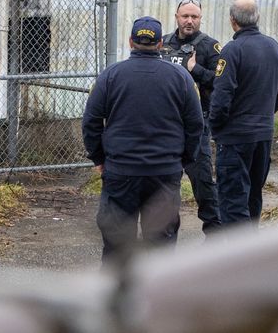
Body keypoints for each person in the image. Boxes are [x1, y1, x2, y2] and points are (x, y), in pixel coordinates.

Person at [82, 16, 203, 261]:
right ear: (160, 44)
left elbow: (91, 121)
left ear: (130, 42)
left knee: (118, 246)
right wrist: (184, 159)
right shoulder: (180, 77)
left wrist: (99, 158)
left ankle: (117, 297)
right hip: (163, 172)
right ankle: (160, 296)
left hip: (121, 172)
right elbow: (195, 124)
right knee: (160, 246)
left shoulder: (110, 75)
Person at [209, 0, 278, 226]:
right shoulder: (274, 47)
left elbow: (221, 97)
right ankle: (253, 252)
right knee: (253, 197)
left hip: (235, 139)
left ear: (232, 21)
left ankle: (239, 257)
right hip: (263, 136)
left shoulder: (232, 51)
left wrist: (216, 126)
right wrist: (262, 115)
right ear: (257, 18)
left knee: (233, 201)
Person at [161, 0, 222, 235]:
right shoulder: (163, 44)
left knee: (203, 182)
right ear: (176, 17)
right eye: (185, 16)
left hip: (196, 126)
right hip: (166, 126)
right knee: (166, 183)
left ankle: (215, 234)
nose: (189, 21)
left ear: (200, 19)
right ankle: (164, 237)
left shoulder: (210, 47)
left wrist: (195, 69)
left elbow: (221, 83)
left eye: (194, 17)